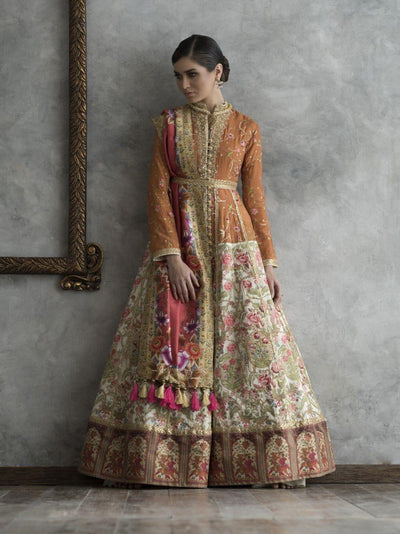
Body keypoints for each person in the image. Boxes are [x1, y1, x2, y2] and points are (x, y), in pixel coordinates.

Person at [77, 34, 336, 489]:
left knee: (249, 348)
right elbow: (157, 193)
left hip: (235, 248)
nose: (184, 84)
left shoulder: (246, 128)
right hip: (182, 246)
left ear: (218, 72)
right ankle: (161, 461)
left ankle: (261, 462)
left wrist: (268, 263)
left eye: (192, 74)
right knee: (170, 345)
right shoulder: (169, 125)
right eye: (178, 76)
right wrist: (172, 259)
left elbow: (255, 199)